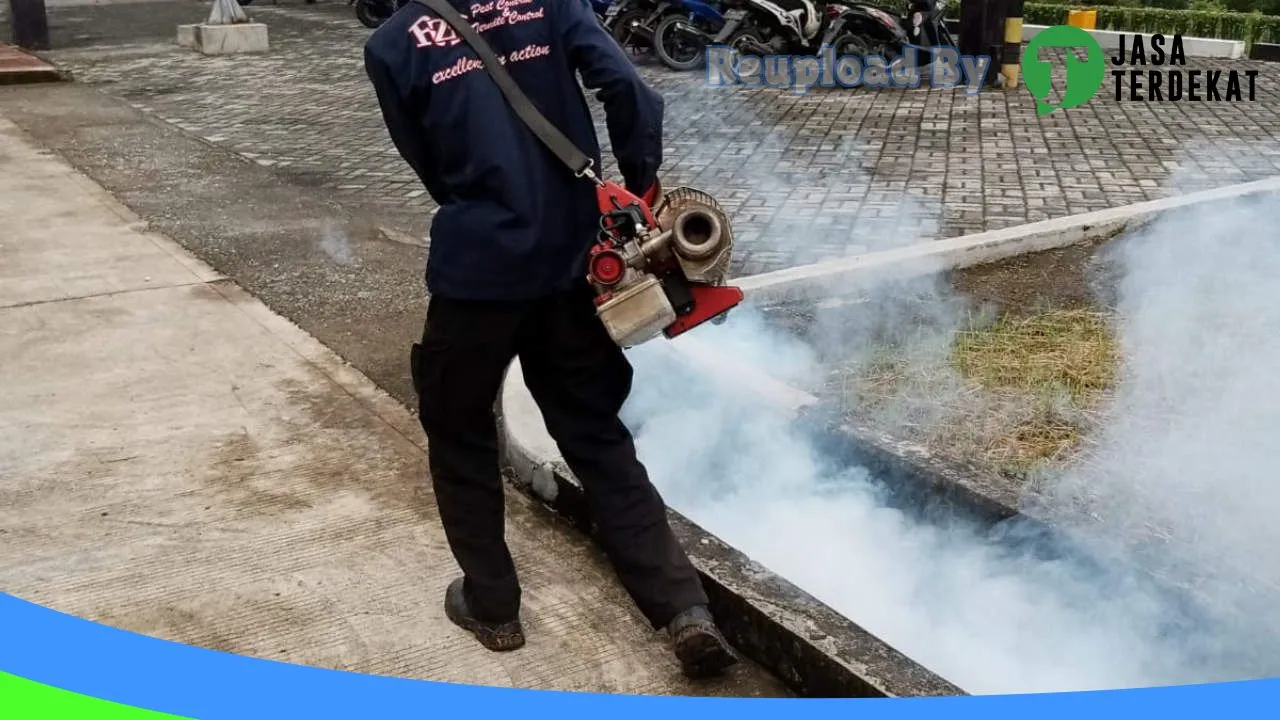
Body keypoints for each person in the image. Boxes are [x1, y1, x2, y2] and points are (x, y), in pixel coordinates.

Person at [362, 0, 739, 679]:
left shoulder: (393, 45)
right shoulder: (549, 3)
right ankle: (685, 611)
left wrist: (488, 207)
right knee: (595, 435)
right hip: (570, 265)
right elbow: (628, 89)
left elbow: (425, 161)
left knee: (459, 430)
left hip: (477, 275)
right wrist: (641, 185)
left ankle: (494, 607)